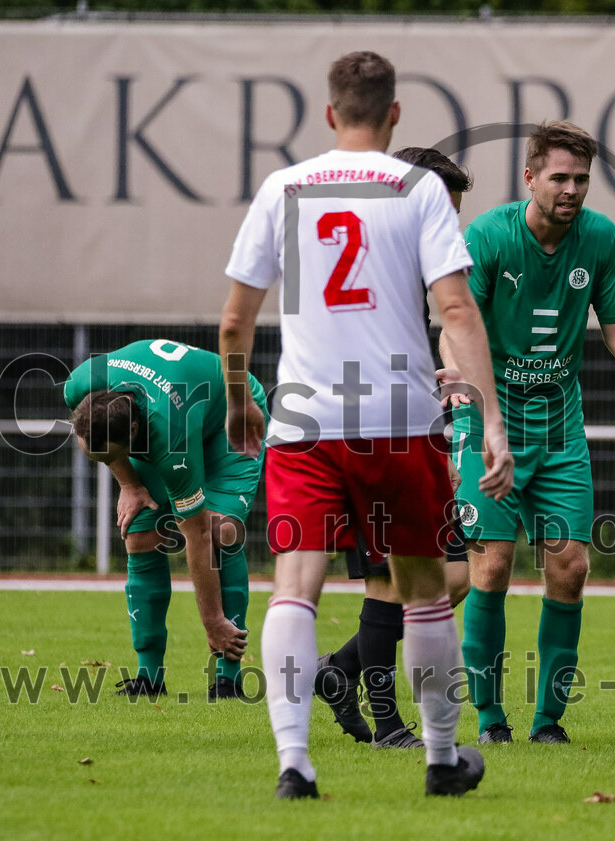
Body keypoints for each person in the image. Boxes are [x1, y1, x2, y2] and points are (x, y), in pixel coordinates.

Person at [218, 52, 513, 799]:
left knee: (295, 586)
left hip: (304, 421)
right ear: (394, 115)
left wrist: (237, 398)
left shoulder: (282, 187)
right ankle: (441, 758)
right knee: (426, 590)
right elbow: (455, 309)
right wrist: (491, 420)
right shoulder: (418, 189)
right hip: (398, 420)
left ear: (327, 114)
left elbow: (233, 322)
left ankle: (294, 763)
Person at [438, 120, 615, 745]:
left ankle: (548, 723)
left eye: (581, 180)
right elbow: (457, 322)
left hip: (560, 426)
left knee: (569, 566)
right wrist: (463, 383)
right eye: (559, 178)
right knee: (491, 566)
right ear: (530, 178)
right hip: (490, 419)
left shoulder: (599, 238)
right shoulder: (489, 235)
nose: (571, 190)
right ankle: (491, 721)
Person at [314, 146, 474, 750]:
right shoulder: (377, 257)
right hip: (367, 428)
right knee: (387, 583)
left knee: (451, 576)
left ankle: (341, 671)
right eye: (445, 208)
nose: (451, 225)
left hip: (411, 424)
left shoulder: (411, 261)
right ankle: (387, 726)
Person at [64, 339, 267, 698]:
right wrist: (129, 483)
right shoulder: (81, 386)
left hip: (229, 414)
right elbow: (104, 446)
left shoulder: (169, 438)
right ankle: (149, 677)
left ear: (133, 434)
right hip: (177, 407)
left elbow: (198, 535)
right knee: (140, 536)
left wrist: (212, 622)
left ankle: (228, 677)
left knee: (221, 531)